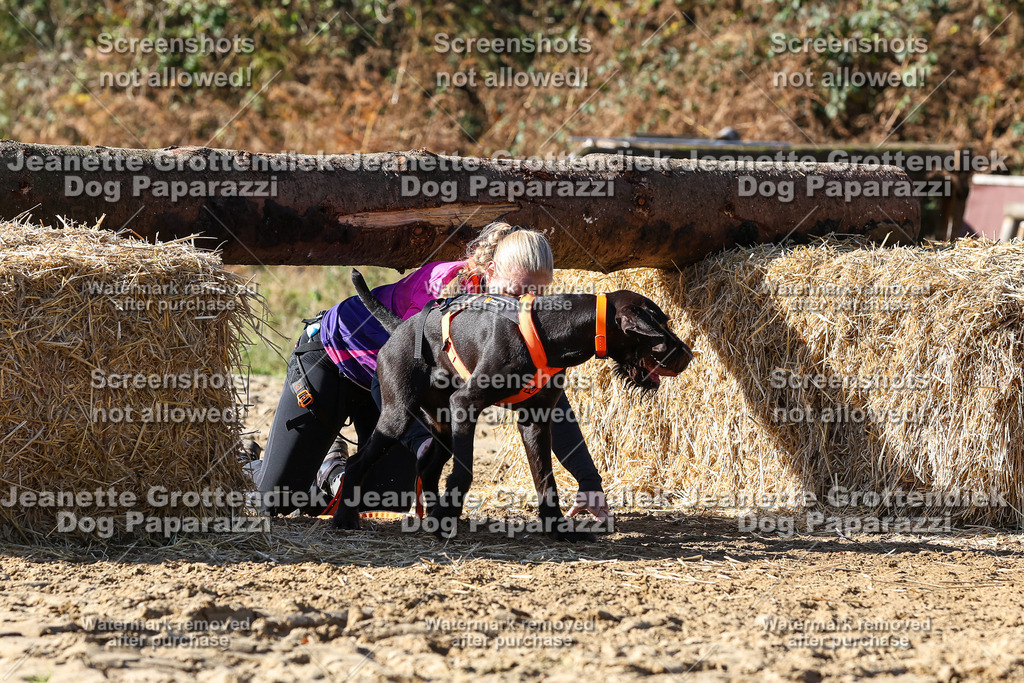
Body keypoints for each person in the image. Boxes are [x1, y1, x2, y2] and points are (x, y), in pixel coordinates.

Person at [255, 221, 612, 522]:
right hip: (337, 357)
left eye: (539, 294)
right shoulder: (443, 288)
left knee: (389, 496)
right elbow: (402, 369)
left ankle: (331, 471)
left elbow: (547, 402)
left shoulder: (521, 322)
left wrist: (588, 482)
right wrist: (421, 439)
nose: (526, 304)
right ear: (490, 274)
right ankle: (242, 469)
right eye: (519, 291)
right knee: (276, 498)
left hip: (391, 388)